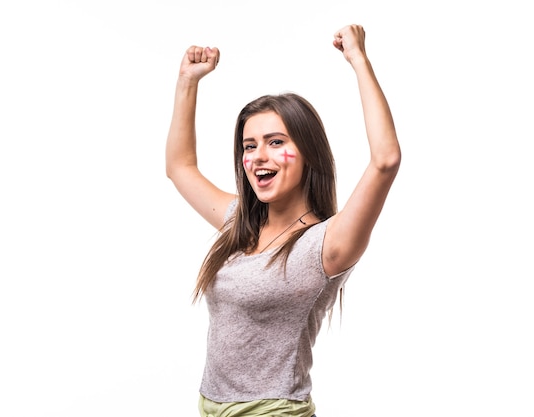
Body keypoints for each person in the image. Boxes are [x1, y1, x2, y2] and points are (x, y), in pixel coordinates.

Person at [165, 24, 401, 417]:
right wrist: (187, 81)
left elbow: (385, 161)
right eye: (249, 145)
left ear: (307, 152)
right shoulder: (239, 223)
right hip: (209, 406)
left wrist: (359, 60)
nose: (258, 156)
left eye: (276, 142)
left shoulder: (327, 244)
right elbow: (180, 167)